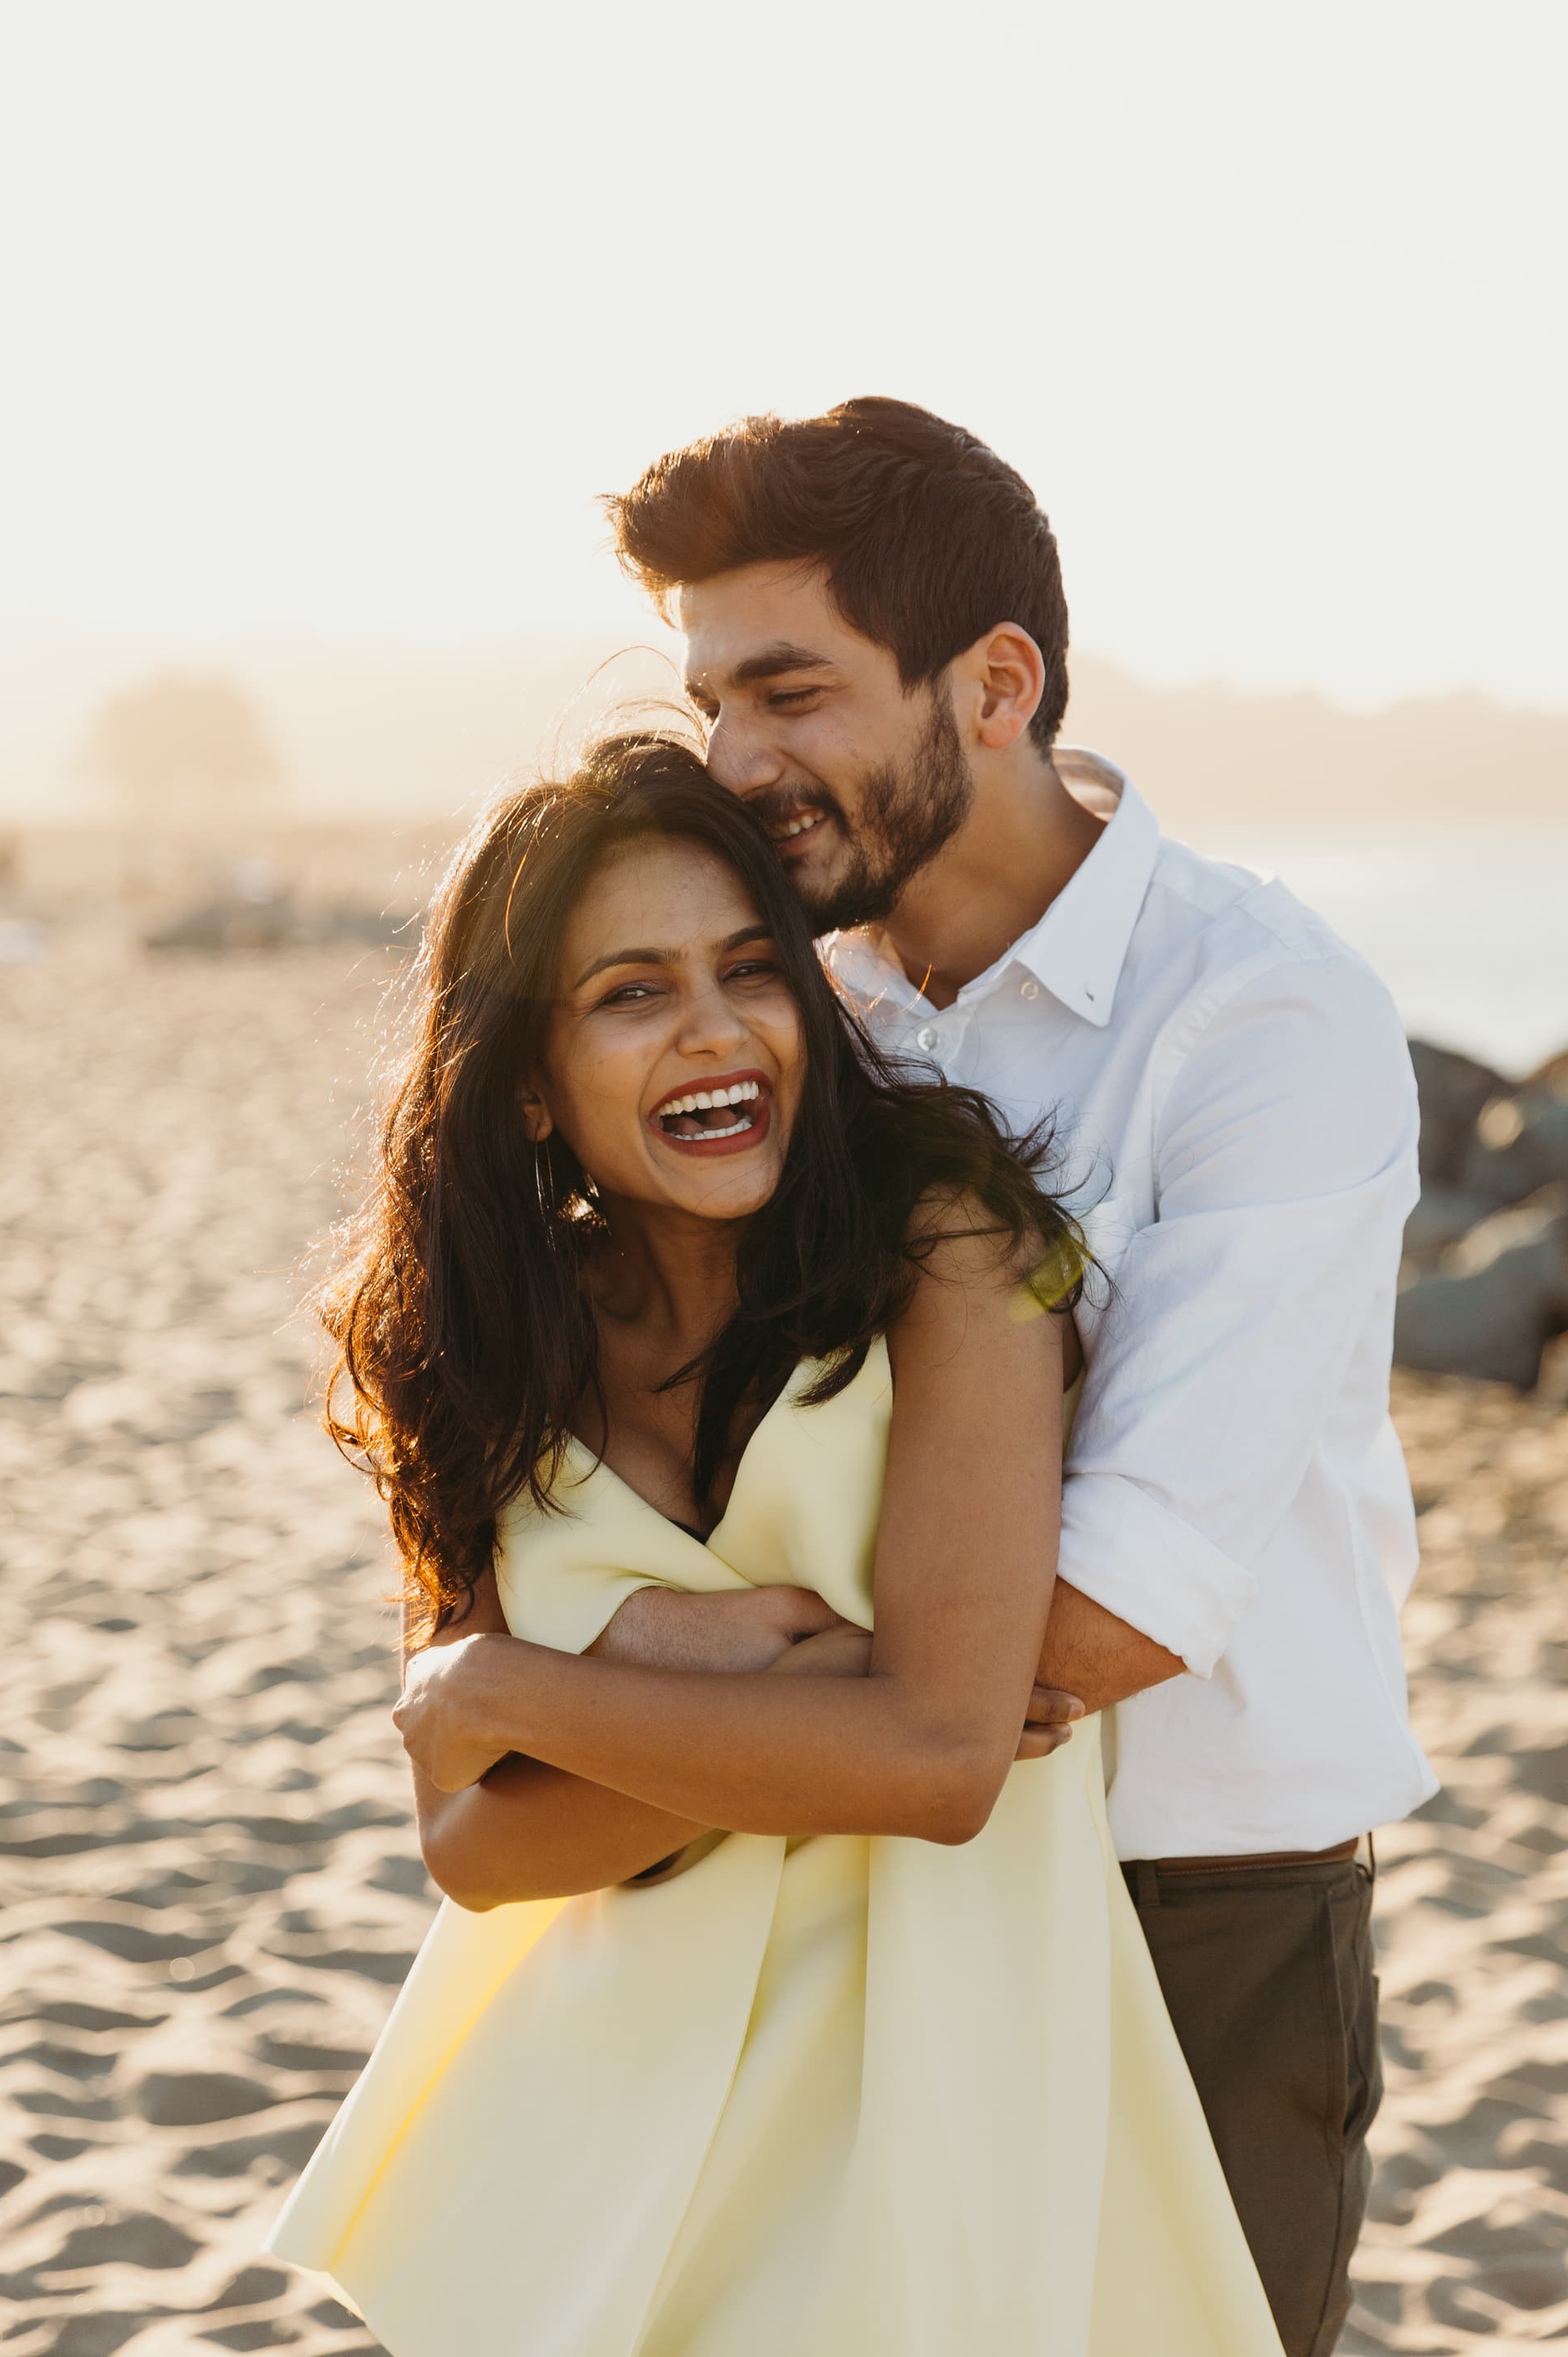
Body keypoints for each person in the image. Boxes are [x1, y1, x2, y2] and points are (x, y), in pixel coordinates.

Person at [594, 398, 1439, 2357]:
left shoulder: (1264, 1013)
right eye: (711, 699)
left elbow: (1122, 1606)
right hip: (824, 1892)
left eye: (789, 691)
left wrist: (660, 1682)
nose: (734, 761)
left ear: (994, 684)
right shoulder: (784, 1015)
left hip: (1190, 1911)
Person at [267, 735, 1283, 2356]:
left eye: (751, 968)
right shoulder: (473, 1341)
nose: (717, 1029)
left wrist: (518, 1685)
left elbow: (943, 1766)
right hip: (600, 2112)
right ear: (528, 1077)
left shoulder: (951, 1253)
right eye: (631, 992)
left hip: (925, 2086)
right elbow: (473, 1851)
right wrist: (771, 1682)